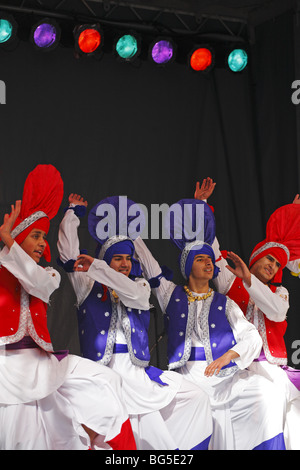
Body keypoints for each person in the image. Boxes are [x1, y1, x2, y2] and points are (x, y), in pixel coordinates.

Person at [57, 193, 213, 450]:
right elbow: (69, 255)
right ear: (106, 260)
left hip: (136, 376)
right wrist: (72, 214)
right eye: (118, 258)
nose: (125, 264)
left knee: (194, 398)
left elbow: (137, 295)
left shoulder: (138, 286)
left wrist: (119, 248)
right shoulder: (87, 286)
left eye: (128, 259)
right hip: (103, 376)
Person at [0, 164, 136, 450]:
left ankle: (114, 446)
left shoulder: (48, 274)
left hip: (43, 362)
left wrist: (10, 241)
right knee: (25, 434)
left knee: (105, 380)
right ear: (20, 235)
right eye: (35, 236)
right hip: (7, 368)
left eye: (43, 237)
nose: (41, 243)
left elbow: (34, 281)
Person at [133, 196, 286, 450]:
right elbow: (151, 268)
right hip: (189, 376)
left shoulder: (224, 303)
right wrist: (134, 237)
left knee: (267, 390)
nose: (208, 262)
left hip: (223, 376)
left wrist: (229, 356)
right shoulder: (170, 293)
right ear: (187, 266)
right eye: (200, 259)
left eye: (208, 259)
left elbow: (252, 336)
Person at [195, 177, 300, 450]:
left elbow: (277, 314)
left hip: (268, 367)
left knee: (285, 407)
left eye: (277, 263)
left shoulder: (279, 293)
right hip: (235, 363)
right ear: (256, 259)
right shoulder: (231, 281)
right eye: (269, 259)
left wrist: (250, 282)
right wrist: (202, 206)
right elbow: (212, 250)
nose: (273, 266)